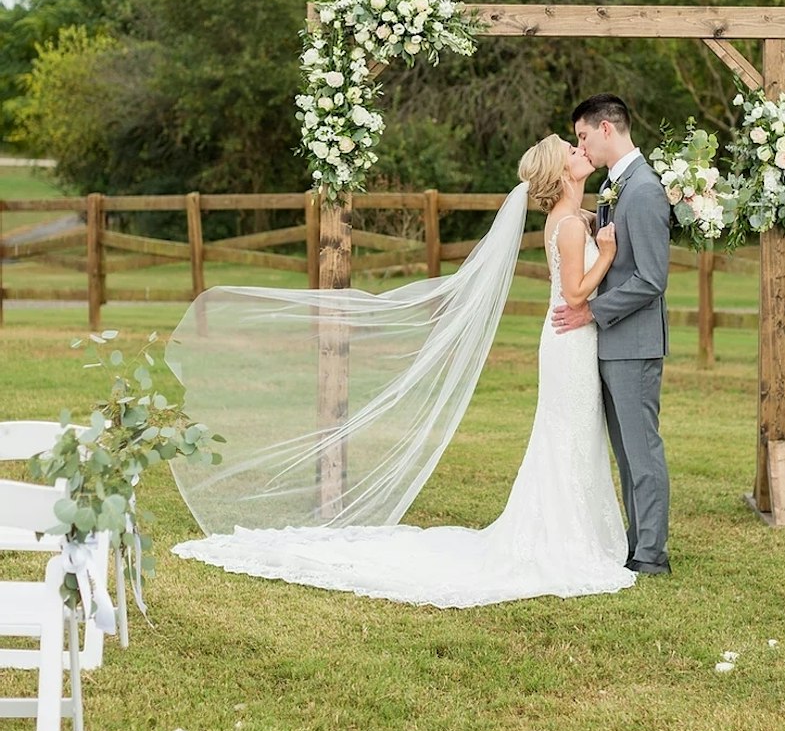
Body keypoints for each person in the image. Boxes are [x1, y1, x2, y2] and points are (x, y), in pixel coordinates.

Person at [170, 134, 637, 606]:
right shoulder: (573, 227)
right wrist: (610, 254)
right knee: (567, 435)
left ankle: (565, 531)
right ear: (560, 174)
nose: (582, 151)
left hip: (565, 341)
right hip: (570, 338)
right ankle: (565, 539)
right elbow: (576, 294)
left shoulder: (570, 219)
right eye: (572, 151)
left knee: (566, 435)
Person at [552, 94, 671, 576]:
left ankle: (651, 555)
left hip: (634, 343)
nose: (580, 145)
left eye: (582, 136)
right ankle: (634, 542)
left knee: (641, 452)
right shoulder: (614, 187)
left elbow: (650, 277)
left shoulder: (642, 189)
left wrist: (592, 313)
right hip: (612, 344)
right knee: (624, 454)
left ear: (606, 128)